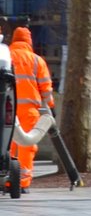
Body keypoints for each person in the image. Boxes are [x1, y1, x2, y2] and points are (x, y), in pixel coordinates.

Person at [9, 24, 54, 193]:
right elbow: (46, 88)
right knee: (27, 145)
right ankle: (23, 182)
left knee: (7, 144)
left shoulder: (5, 56)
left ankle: (7, 179)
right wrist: (50, 107)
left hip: (6, 109)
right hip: (28, 110)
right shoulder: (36, 60)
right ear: (29, 41)